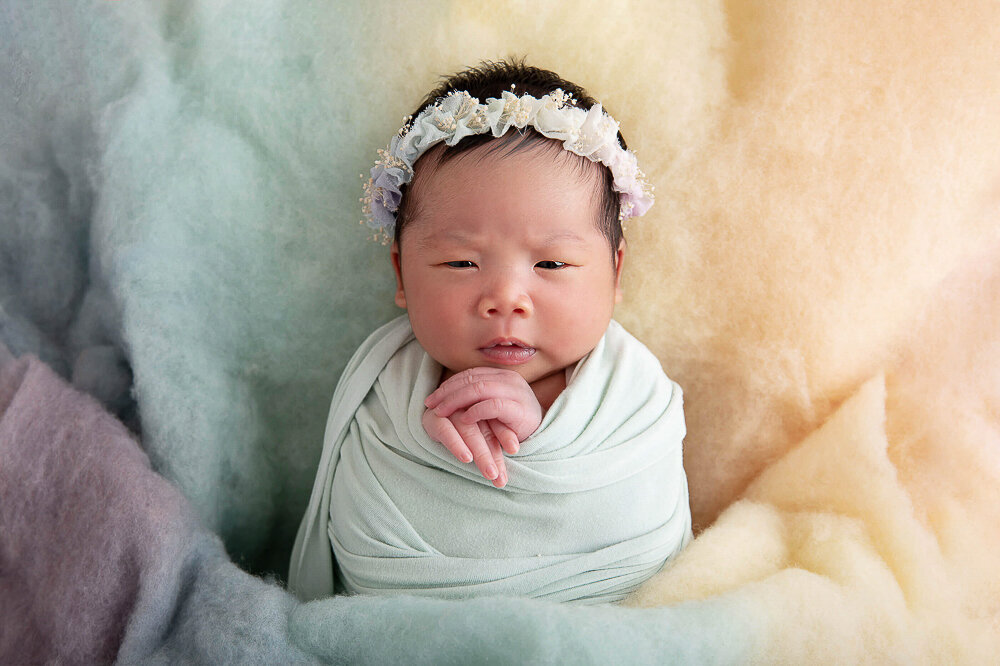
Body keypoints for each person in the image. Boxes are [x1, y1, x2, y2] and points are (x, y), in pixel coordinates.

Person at [289, 60, 691, 604]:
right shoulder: (384, 394)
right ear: (401, 273)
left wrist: (534, 430)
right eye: (460, 263)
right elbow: (367, 556)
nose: (505, 298)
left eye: (551, 264)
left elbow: (643, 537)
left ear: (616, 272)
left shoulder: (633, 397)